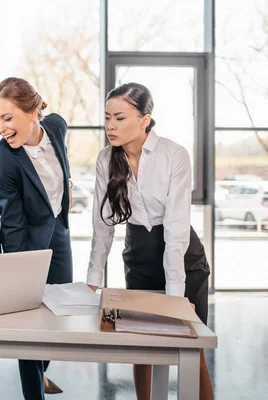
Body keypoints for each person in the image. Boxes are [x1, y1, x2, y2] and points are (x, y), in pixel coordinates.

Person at [86, 82, 213, 400]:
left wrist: (174, 299)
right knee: (140, 345)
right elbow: (103, 226)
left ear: (145, 120)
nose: (110, 126)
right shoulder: (106, 159)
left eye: (120, 117)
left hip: (183, 257)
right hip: (139, 254)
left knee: (190, 345)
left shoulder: (174, 155)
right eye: (107, 118)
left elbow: (175, 229)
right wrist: (92, 282)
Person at [0, 77, 73, 400]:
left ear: (33, 111)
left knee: (58, 315)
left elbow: (60, 163)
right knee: (30, 324)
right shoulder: (2, 162)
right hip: (27, 244)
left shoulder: (57, 127)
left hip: (60, 233)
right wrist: (21, 272)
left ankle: (40, 370)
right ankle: (33, 391)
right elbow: (11, 224)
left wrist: (68, 185)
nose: (1, 128)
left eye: (7, 118)